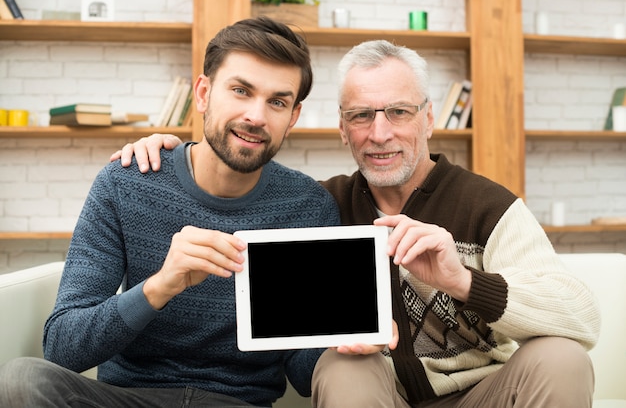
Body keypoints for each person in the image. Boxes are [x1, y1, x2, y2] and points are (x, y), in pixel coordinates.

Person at [117, 39, 601, 407]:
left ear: (429, 118)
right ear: (342, 129)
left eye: (398, 112)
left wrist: (463, 281)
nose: (380, 132)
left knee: (562, 357)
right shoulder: (319, 206)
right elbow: (231, 188)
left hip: (482, 394)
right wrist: (175, 150)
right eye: (362, 115)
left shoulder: (486, 205)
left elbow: (581, 317)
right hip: (376, 392)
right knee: (347, 367)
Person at [0, 16, 343, 407]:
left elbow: (303, 373)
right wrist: (159, 286)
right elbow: (62, 348)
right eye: (241, 91)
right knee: (22, 379)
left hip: (236, 403)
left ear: (293, 117)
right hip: (128, 398)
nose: (257, 116)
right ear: (203, 94)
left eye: (277, 102)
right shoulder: (127, 182)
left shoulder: (307, 207)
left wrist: (344, 341)